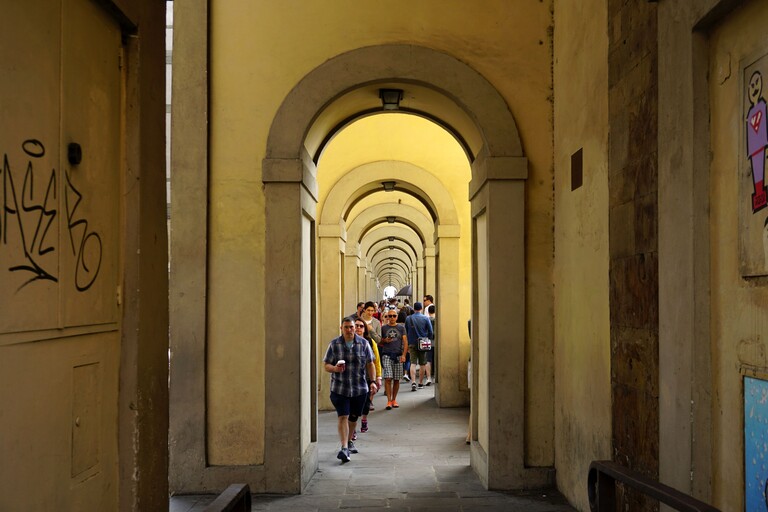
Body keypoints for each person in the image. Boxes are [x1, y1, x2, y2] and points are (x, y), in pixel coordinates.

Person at [323, 317, 378, 463]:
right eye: (346, 327)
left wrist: (373, 381)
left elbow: (370, 363)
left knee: (354, 417)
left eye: (351, 327)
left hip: (359, 388)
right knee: (343, 416)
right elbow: (326, 365)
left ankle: (348, 441)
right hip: (339, 388)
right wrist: (335, 368)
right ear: (341, 328)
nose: (349, 330)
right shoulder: (334, 344)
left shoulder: (364, 343)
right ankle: (344, 447)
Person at [354, 320, 382, 433]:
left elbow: (376, 361)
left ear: (365, 329)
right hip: (353, 377)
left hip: (367, 376)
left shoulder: (370, 342)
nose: (358, 328)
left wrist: (377, 377)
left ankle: (364, 419)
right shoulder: (347, 342)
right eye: (356, 326)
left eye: (361, 326)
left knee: (365, 402)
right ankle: (353, 429)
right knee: (353, 403)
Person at [379, 308, 408, 410]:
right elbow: (380, 342)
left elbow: (405, 342)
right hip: (386, 354)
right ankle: (388, 401)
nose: (391, 318)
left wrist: (404, 355)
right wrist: (384, 340)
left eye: (394, 316)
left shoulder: (401, 328)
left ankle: (394, 399)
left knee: (396, 379)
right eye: (389, 316)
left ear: (397, 317)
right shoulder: (383, 328)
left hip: (398, 355)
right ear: (387, 317)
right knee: (388, 378)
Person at [404, 302, 434, 389]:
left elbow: (406, 330)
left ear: (414, 309)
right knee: (422, 363)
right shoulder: (425, 318)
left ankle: (413, 382)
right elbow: (430, 332)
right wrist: (427, 338)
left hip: (412, 343)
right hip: (423, 343)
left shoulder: (408, 319)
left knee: (413, 363)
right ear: (421, 309)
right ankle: (420, 383)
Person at [427, 304, 436, 382]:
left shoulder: (426, 320)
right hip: (436, 343)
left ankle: (428, 377)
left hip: (428, 342)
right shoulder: (438, 320)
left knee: (428, 360)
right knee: (436, 360)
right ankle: (436, 376)